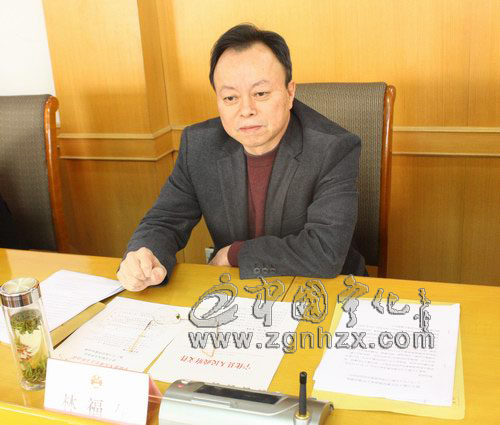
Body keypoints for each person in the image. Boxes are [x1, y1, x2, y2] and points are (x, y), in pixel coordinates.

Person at [117, 24, 365, 292]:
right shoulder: (199, 146)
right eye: (230, 97)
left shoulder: (333, 148)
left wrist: (234, 254)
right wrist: (145, 254)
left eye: (261, 94)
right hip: (238, 291)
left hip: (323, 291)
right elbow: (165, 219)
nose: (246, 110)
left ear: (290, 92)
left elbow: (325, 251)